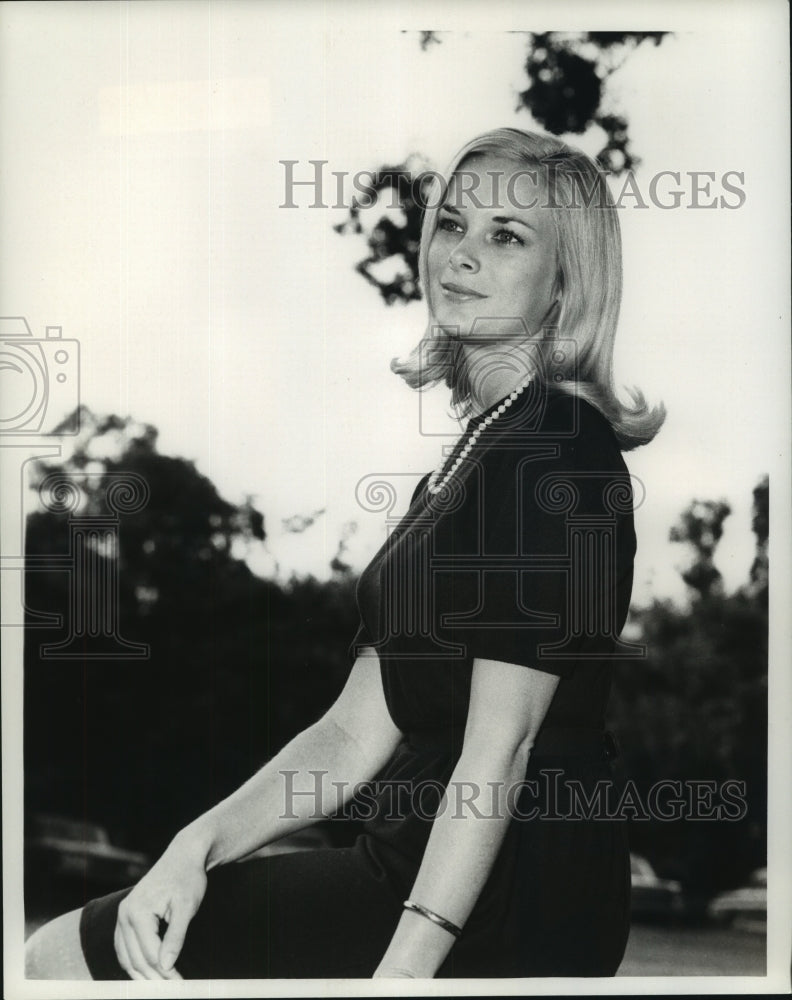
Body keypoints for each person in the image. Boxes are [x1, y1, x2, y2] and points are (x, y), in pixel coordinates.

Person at [25, 127, 665, 980]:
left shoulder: (561, 448)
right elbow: (351, 735)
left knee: (61, 961)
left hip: (507, 888)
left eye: (507, 236)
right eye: (452, 224)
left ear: (564, 285)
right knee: (94, 945)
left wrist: (403, 971)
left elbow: (499, 753)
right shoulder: (468, 461)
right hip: (416, 853)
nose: (462, 254)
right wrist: (193, 850)